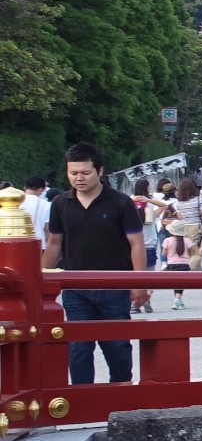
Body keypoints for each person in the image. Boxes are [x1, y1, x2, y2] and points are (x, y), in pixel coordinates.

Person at [44, 143, 147, 385]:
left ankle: (119, 396)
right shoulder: (60, 203)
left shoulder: (120, 202)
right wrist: (42, 280)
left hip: (115, 285)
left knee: (117, 347)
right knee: (79, 348)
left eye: (85, 173)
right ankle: (83, 401)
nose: (79, 178)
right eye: (73, 173)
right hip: (75, 287)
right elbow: (54, 244)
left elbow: (137, 243)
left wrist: (140, 283)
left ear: (99, 171)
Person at [20, 175, 50, 243]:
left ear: (25, 187)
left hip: (18, 241)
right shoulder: (45, 204)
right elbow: (47, 228)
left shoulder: (16, 202)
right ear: (41, 189)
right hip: (39, 242)